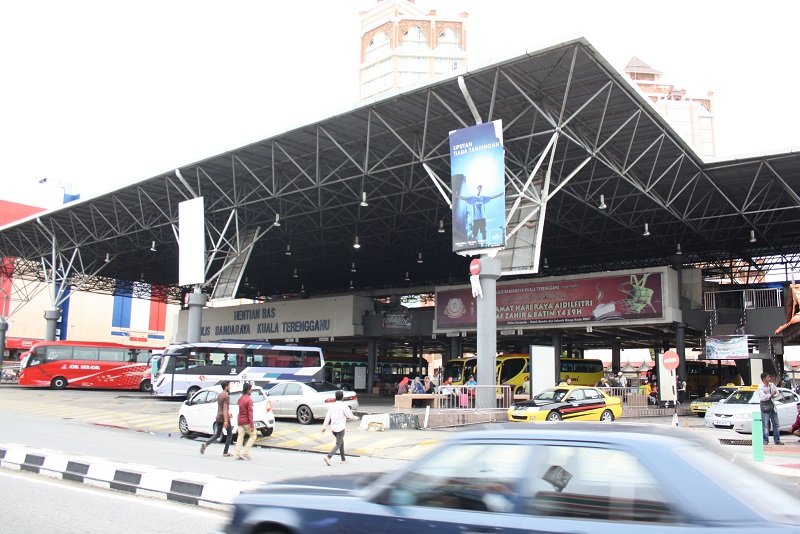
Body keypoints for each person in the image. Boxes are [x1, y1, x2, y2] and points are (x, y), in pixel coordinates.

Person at [321, 390, 359, 466]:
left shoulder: (332, 406)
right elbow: (349, 415)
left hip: (333, 429)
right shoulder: (343, 406)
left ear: (335, 397)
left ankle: (343, 459)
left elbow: (327, 417)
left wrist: (324, 427)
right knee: (339, 443)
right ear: (342, 397)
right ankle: (328, 457)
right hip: (340, 428)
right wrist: (356, 418)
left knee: (341, 442)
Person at [200, 380, 233, 457]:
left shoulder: (219, 395)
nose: (230, 387)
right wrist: (226, 420)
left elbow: (221, 408)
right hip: (224, 418)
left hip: (218, 416)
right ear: (226, 387)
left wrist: (228, 414)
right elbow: (224, 409)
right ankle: (225, 452)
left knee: (218, 434)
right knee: (230, 434)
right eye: (229, 386)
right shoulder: (226, 396)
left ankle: (206, 444)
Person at [758, 372, 783, 445]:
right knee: (765, 425)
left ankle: (777, 440)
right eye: (768, 377)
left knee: (776, 424)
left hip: (772, 406)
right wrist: (771, 395)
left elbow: (777, 393)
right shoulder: (760, 386)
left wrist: (772, 395)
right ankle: (765, 440)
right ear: (763, 379)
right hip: (765, 406)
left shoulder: (772, 385)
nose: (770, 378)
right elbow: (763, 397)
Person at [234, 382, 257, 460]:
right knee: (253, 435)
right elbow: (250, 413)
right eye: (251, 389)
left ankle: (237, 454)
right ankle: (245, 453)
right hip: (246, 420)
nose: (252, 391)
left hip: (240, 420)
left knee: (240, 437)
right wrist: (252, 425)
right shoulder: (249, 400)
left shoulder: (240, 399)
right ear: (248, 390)